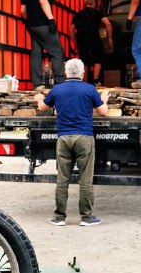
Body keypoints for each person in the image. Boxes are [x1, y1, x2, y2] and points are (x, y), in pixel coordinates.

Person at [35, 58, 109, 226]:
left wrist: (39, 97)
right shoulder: (89, 89)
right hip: (84, 138)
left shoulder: (57, 90)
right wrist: (104, 98)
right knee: (85, 180)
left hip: (64, 139)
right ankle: (87, 218)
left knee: (63, 179)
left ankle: (59, 217)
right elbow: (103, 112)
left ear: (66, 73)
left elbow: (42, 108)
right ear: (83, 74)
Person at [21, 0, 65, 88]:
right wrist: (51, 19)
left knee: (36, 52)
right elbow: (43, 2)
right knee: (56, 51)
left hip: (32, 26)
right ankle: (60, 82)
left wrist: (29, 20)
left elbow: (23, 11)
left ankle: (37, 83)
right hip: (43, 24)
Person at [71, 0, 113, 85]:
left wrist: (74, 41)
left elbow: (71, 29)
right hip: (94, 36)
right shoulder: (97, 13)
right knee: (97, 58)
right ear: (93, 5)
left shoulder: (78, 14)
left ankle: (83, 81)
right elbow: (108, 24)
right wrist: (109, 38)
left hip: (81, 37)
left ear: (84, 5)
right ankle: (95, 80)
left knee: (83, 60)